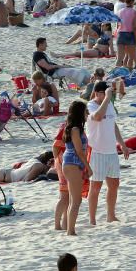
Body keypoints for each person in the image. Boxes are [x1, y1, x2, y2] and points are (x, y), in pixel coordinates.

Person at [87, 82, 130, 225]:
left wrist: (122, 144)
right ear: (97, 93)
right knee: (96, 187)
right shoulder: (90, 105)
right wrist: (106, 98)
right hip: (97, 151)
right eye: (104, 93)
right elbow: (98, 117)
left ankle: (111, 215)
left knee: (114, 184)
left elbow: (113, 124)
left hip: (111, 151)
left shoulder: (109, 104)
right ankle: (92, 220)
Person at [59, 101, 92, 236]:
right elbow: (79, 151)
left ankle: (68, 227)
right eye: (85, 112)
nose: (87, 114)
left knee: (73, 199)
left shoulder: (75, 128)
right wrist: (88, 167)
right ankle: (70, 231)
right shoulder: (75, 129)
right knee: (76, 200)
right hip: (72, 164)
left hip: (72, 164)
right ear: (80, 113)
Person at [116, 0, 136, 70]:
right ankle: (129, 73)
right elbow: (134, 27)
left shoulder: (120, 11)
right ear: (132, 2)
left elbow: (117, 25)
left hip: (120, 34)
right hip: (129, 34)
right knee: (131, 57)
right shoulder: (134, 12)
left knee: (120, 58)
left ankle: (117, 73)